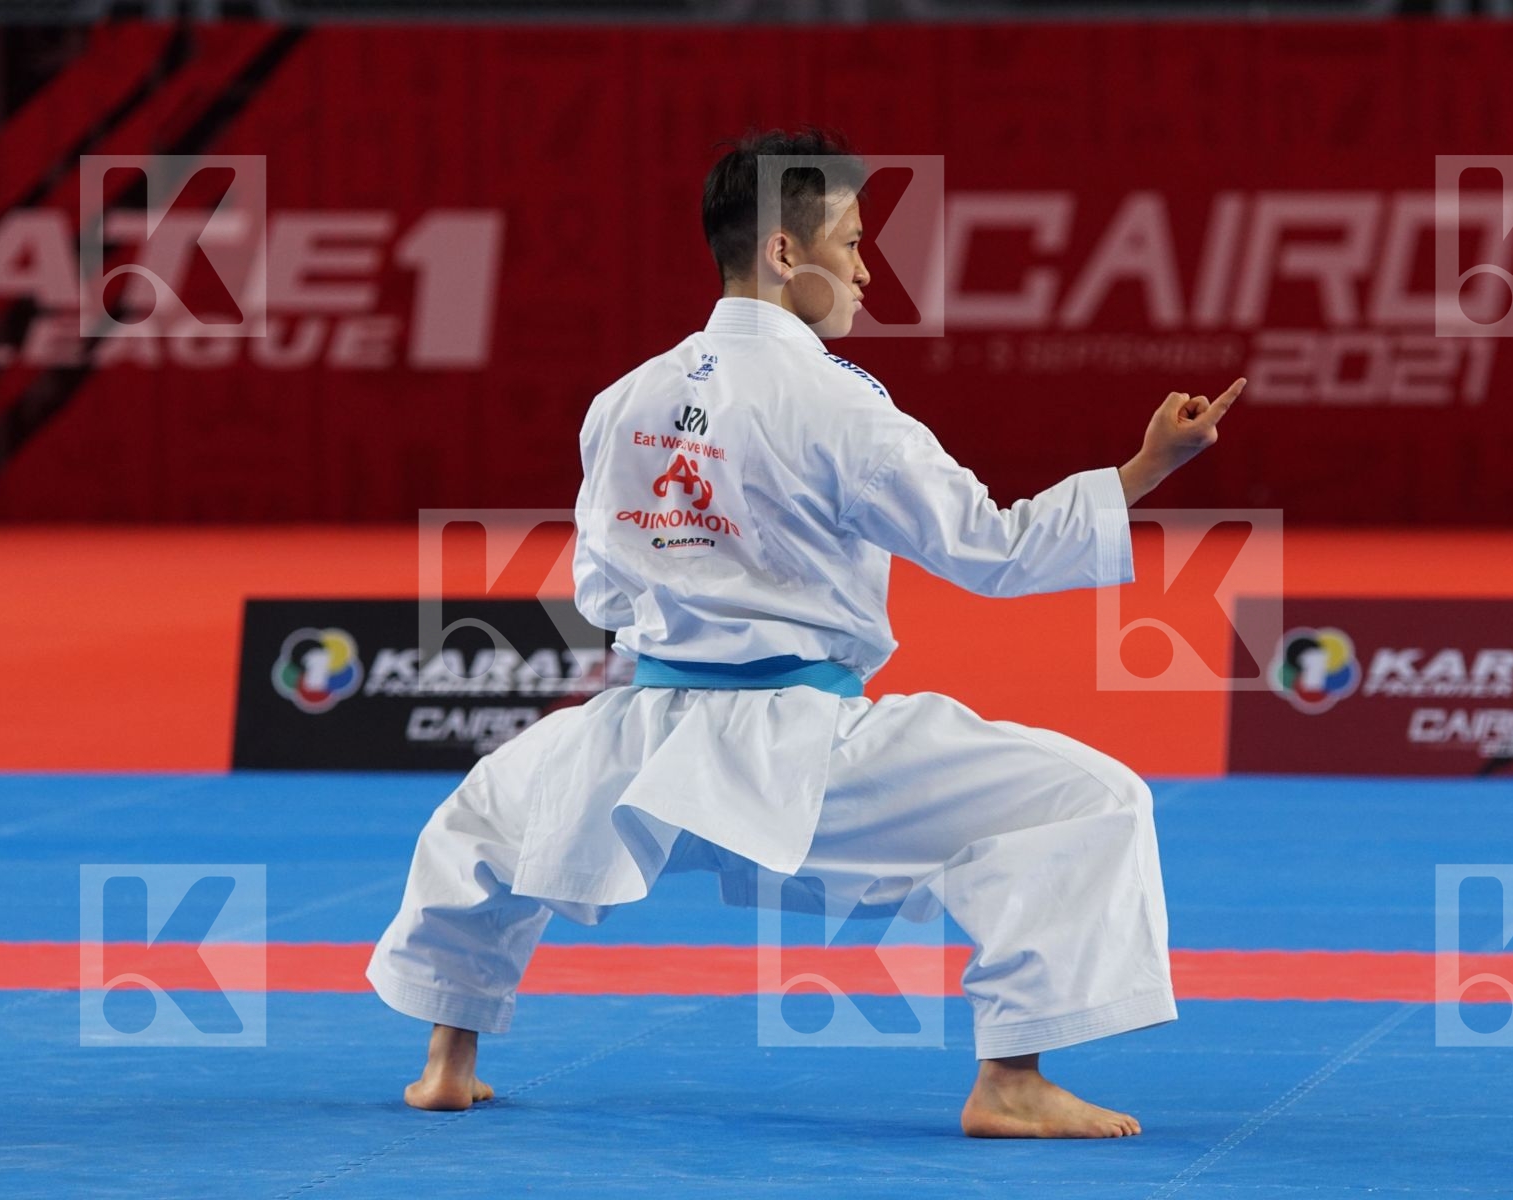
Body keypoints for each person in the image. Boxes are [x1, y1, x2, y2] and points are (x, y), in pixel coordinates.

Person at [367, 127, 1243, 1139]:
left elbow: (599, 585)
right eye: (854, 242)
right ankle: (1010, 1080)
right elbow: (992, 553)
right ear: (785, 254)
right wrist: (1144, 471)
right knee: (1090, 797)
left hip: (633, 734)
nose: (869, 271)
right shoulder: (840, 406)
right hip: (802, 749)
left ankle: (444, 1062)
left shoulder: (625, 399)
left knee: (479, 825)